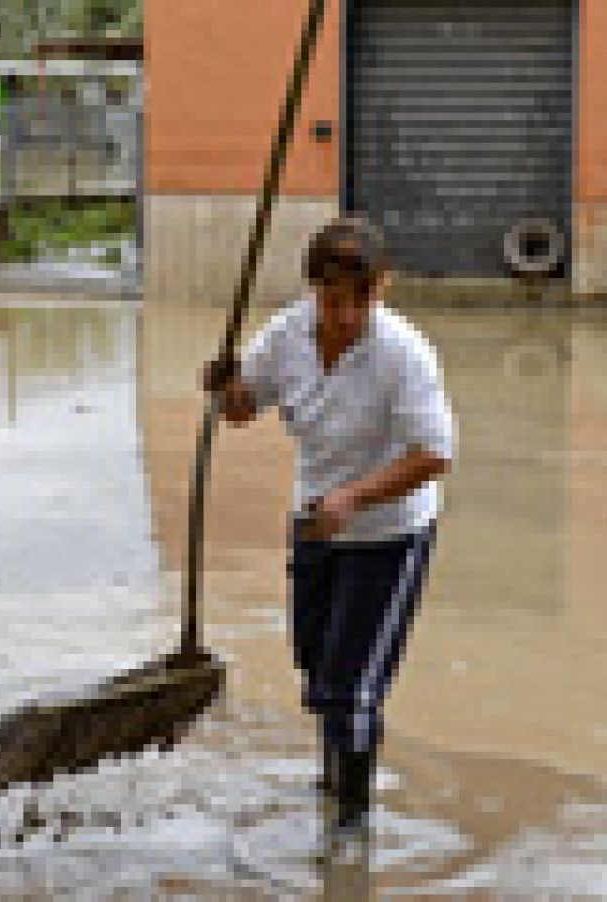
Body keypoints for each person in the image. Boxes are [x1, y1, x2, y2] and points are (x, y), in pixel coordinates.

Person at [202, 219, 455, 840]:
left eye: (360, 301)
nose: (346, 317)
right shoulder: (286, 337)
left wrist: (357, 496)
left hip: (389, 534)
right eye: (334, 301)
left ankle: (350, 832)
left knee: (355, 682)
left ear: (382, 288)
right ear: (315, 289)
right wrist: (226, 388)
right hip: (316, 524)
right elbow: (243, 410)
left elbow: (435, 454)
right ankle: (333, 777)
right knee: (318, 663)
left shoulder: (403, 353)